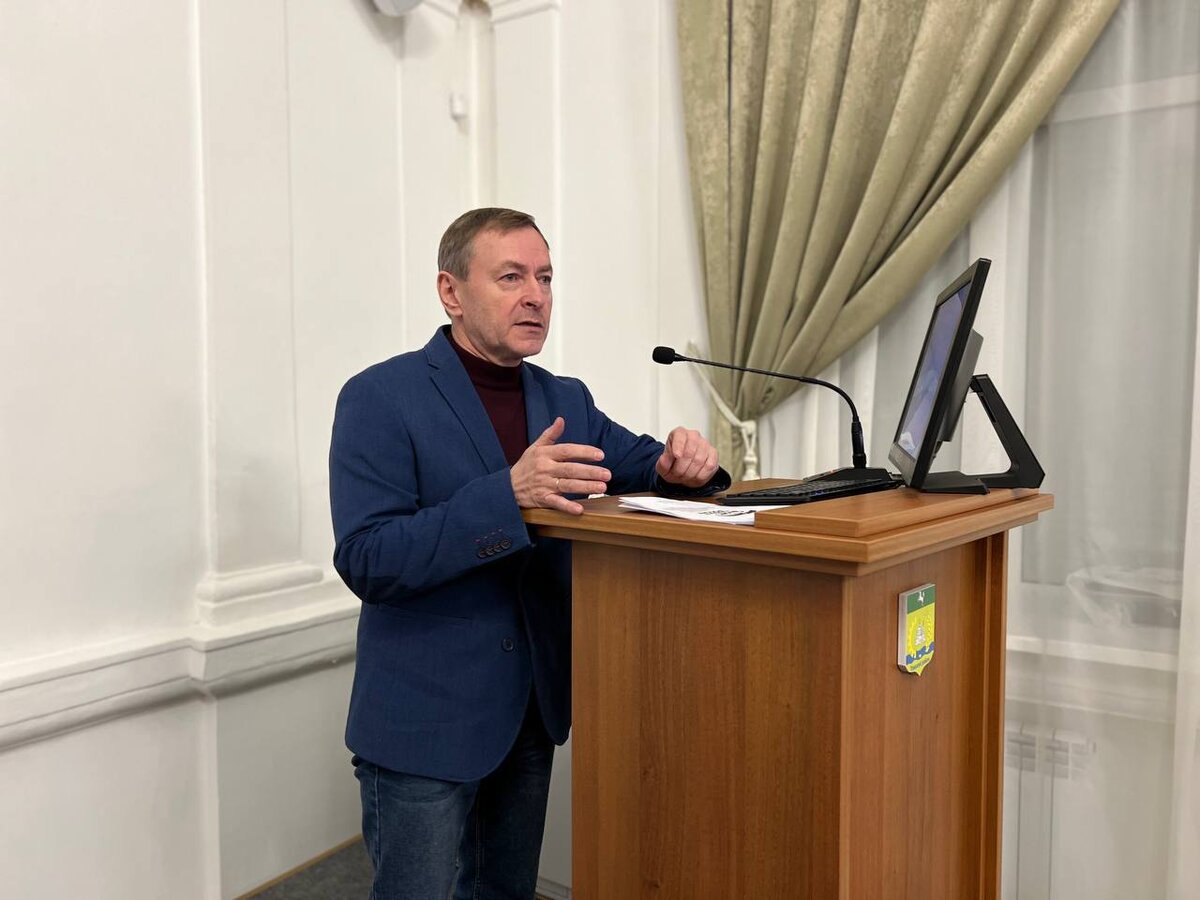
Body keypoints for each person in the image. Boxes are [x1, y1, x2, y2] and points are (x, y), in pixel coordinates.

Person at [329, 207, 729, 899]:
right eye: (511, 277)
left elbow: (645, 465)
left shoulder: (564, 399)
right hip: (425, 719)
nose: (536, 296)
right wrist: (505, 497)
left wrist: (684, 466)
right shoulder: (380, 396)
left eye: (545, 278)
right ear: (451, 292)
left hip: (528, 715)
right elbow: (368, 557)